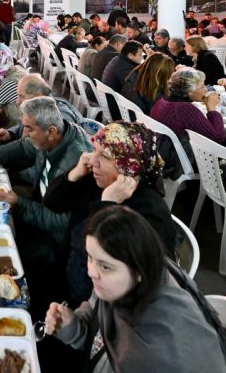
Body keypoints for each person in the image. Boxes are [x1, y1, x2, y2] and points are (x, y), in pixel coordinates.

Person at [45, 205, 226, 372]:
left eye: (105, 266)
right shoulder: (131, 279)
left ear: (138, 271)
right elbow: (97, 329)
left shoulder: (150, 353)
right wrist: (71, 324)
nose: (91, 271)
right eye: (90, 257)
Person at [44, 122, 176, 304]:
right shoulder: (98, 179)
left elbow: (88, 250)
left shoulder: (149, 213)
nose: (92, 160)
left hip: (97, 306)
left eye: (105, 156)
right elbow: (52, 203)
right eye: (94, 150)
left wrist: (107, 204)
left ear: (130, 165)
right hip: (66, 278)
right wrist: (74, 173)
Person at [0, 97, 90, 270]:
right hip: (39, 203)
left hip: (56, 238)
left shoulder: (75, 164)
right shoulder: (54, 135)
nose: (24, 133)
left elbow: (63, 221)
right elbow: (22, 147)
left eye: (29, 129)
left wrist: (19, 204)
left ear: (50, 131)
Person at [0, 74, 85, 144]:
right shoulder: (37, 109)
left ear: (38, 97)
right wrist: (10, 133)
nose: (17, 101)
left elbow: (45, 158)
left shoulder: (60, 118)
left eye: (21, 96)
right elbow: (23, 127)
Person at [151, 69, 226, 146]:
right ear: (190, 91)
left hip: (162, 149)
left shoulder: (162, 101)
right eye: (202, 86)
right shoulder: (184, 109)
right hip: (180, 154)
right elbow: (218, 138)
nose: (206, 89)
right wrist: (212, 109)